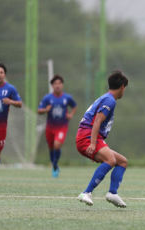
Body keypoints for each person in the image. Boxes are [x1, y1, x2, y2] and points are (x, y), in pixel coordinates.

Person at [76, 70, 128, 208]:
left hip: (90, 135)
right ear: (122, 87)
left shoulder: (106, 98)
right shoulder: (109, 100)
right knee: (110, 160)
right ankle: (86, 192)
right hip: (87, 136)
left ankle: (113, 193)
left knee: (122, 161)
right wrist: (93, 143)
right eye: (125, 89)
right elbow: (97, 121)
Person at [38, 75, 77, 178]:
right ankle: (55, 165)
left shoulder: (67, 98)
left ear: (62, 85)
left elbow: (74, 106)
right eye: (55, 83)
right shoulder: (47, 98)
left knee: (57, 145)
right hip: (50, 127)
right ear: (52, 86)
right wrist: (46, 110)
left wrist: (71, 114)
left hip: (62, 127)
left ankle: (54, 165)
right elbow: (39, 110)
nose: (57, 85)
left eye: (59, 83)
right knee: (51, 148)